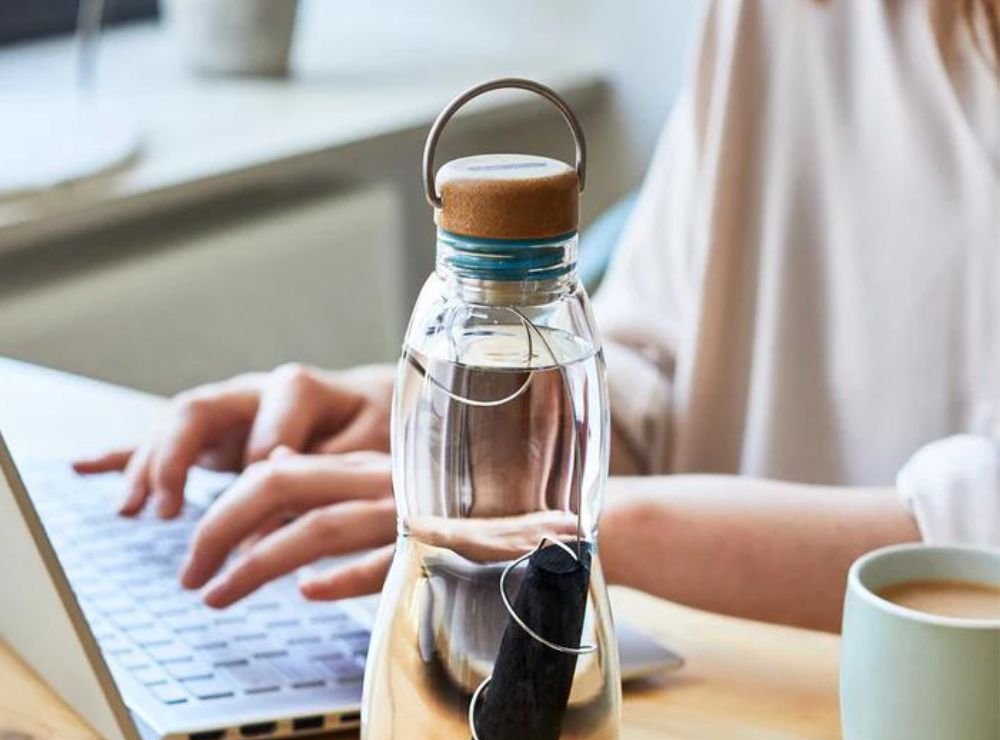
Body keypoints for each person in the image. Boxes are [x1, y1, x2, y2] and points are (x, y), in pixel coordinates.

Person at [76, 0, 1000, 633]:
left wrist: (574, 524)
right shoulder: (788, 18)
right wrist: (450, 426)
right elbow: (655, 375)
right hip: (725, 718)